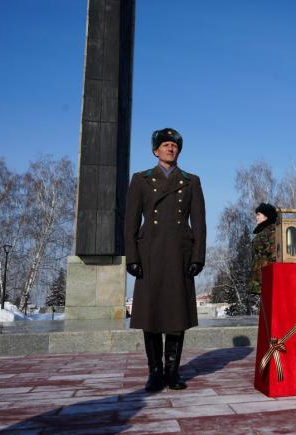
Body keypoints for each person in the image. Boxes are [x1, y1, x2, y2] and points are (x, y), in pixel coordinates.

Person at [124, 127, 206, 392]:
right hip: (150, 252)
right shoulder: (141, 179)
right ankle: (154, 373)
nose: (171, 148)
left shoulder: (191, 180)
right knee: (151, 314)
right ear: (155, 150)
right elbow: (130, 222)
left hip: (180, 253)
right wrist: (132, 257)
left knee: (176, 315)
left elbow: (200, 224)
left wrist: (198, 256)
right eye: (166, 145)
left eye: (174, 145)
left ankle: (172, 372)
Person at [248, 203, 277, 295]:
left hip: (267, 279)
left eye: (259, 214)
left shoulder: (272, 231)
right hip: (260, 279)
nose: (256, 217)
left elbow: (274, 255)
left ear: (266, 216)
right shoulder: (262, 232)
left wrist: (269, 277)